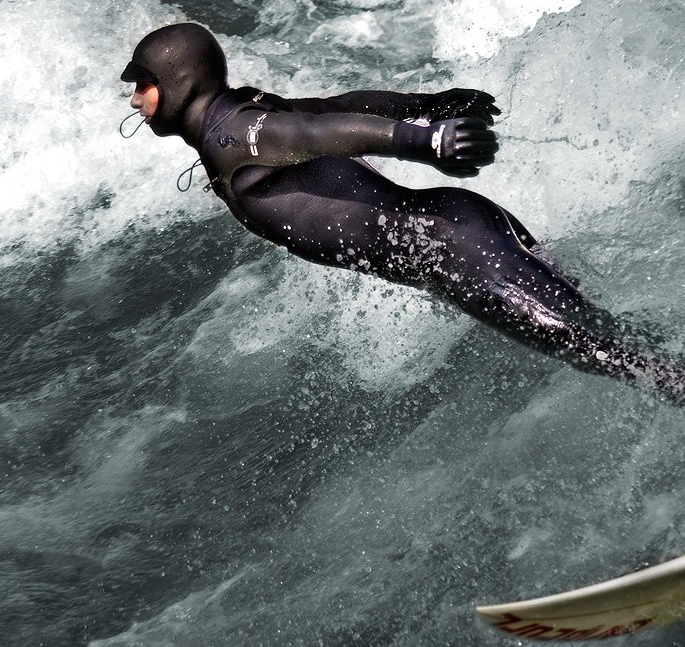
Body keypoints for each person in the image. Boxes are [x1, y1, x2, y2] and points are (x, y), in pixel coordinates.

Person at [121, 22, 684, 401]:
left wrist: (424, 141)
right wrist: (426, 107)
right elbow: (339, 108)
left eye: (141, 85)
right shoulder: (247, 113)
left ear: (176, 82)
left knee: (615, 355)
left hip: (456, 248)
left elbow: (317, 130)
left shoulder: (235, 131)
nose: (134, 100)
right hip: (460, 236)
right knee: (615, 341)